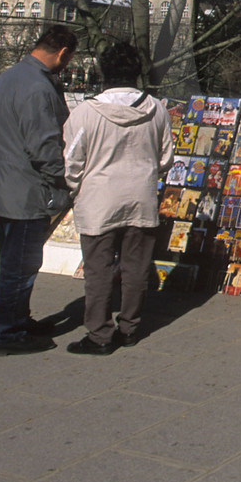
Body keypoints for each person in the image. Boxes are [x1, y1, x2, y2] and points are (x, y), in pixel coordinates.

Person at [62, 41, 173, 354]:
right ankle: (129, 328)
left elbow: (72, 162)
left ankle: (99, 334)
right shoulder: (156, 109)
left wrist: (76, 187)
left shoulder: (85, 112)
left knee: (98, 270)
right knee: (136, 268)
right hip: (141, 198)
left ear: (103, 72)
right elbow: (166, 159)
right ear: (137, 73)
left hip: (98, 201)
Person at [0, 24, 77, 356]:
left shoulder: (8, 78)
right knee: (19, 267)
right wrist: (64, 182)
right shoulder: (38, 87)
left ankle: (18, 319)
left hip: (2, 188)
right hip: (25, 194)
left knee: (14, 263)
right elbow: (44, 147)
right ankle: (6, 333)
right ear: (62, 53)